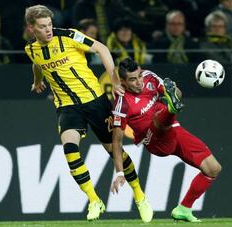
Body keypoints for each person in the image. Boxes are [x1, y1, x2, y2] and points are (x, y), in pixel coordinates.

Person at [24, 5, 153, 222]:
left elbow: (101, 48)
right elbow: (38, 64)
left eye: (49, 25)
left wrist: (113, 78)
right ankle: (94, 200)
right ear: (31, 28)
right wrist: (37, 81)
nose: (48, 30)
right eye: (43, 26)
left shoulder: (69, 36)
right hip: (67, 106)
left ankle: (140, 196)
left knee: (115, 151)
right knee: (70, 149)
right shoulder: (32, 49)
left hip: (95, 101)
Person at [110, 57, 222, 222]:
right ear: (123, 82)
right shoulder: (122, 104)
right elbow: (116, 142)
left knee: (213, 169)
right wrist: (120, 173)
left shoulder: (150, 77)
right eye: (133, 79)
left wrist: (174, 92)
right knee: (159, 118)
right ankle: (171, 108)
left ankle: (183, 209)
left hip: (173, 129)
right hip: (155, 141)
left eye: (139, 76)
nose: (139, 82)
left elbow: (179, 94)